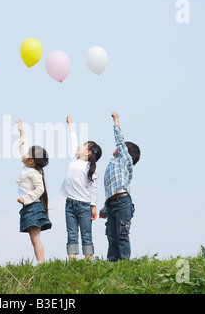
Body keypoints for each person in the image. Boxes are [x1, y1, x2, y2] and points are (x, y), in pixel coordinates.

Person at [99, 112, 140, 262]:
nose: (117, 147)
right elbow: (111, 190)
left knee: (122, 234)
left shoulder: (124, 159)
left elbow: (119, 140)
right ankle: (112, 263)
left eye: (122, 147)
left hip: (123, 202)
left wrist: (116, 120)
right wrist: (105, 208)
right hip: (112, 203)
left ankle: (124, 263)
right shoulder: (113, 163)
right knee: (111, 235)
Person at [60, 115, 102, 261]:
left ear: (88, 152)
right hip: (70, 204)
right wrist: (70, 124)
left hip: (84, 205)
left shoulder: (90, 167)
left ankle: (88, 260)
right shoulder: (74, 159)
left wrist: (93, 206)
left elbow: (93, 188)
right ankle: (72, 260)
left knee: (86, 233)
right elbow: (73, 141)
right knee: (71, 233)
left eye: (83, 146)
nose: (78, 147)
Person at [16, 119, 52, 264]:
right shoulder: (29, 166)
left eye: (28, 153)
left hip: (33, 207)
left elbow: (40, 189)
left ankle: (41, 264)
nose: (25, 153)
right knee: (33, 238)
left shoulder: (34, 173)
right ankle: (40, 263)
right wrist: (21, 132)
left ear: (31, 161)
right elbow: (23, 149)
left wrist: (26, 198)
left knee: (35, 238)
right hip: (29, 208)